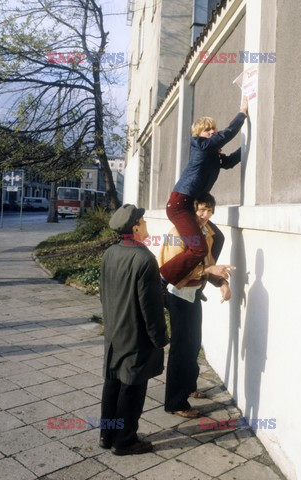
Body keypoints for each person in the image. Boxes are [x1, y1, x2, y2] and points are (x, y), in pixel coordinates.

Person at [99, 204, 168, 455]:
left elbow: (103, 294)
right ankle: (125, 440)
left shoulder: (110, 253)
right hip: (136, 336)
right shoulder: (144, 259)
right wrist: (160, 338)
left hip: (115, 332)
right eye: (145, 221)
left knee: (112, 383)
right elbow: (151, 308)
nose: (147, 225)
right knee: (132, 388)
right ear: (136, 227)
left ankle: (107, 435)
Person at [160, 97, 248, 287]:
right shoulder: (200, 146)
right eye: (207, 130)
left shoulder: (212, 155)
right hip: (178, 206)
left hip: (189, 207)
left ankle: (206, 277)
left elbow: (230, 161)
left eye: (212, 129)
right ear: (198, 134)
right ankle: (162, 279)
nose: (211, 132)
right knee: (198, 248)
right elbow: (223, 136)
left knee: (218, 237)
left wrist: (248, 145)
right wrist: (242, 114)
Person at [159, 193, 231, 418]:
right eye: (200, 210)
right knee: (180, 350)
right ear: (190, 211)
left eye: (209, 211)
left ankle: (189, 387)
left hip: (193, 293)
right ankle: (175, 402)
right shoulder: (175, 235)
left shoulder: (207, 233)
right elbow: (173, 272)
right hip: (176, 294)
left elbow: (209, 264)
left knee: (193, 344)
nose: (205, 215)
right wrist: (208, 271)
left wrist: (223, 283)